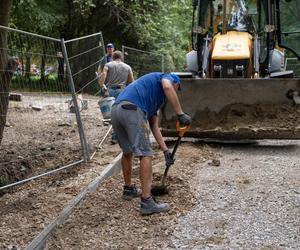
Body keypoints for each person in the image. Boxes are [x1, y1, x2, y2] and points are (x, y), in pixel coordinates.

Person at [110, 72, 192, 215]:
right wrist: (180, 114)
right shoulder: (167, 77)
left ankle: (128, 189)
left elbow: (154, 126)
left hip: (117, 110)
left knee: (127, 151)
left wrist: (166, 150)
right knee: (146, 154)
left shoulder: (154, 98)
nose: (174, 92)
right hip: (132, 109)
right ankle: (147, 202)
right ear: (176, 83)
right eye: (176, 88)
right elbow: (167, 87)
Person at [98, 50, 134, 143]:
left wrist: (102, 84)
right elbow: (131, 82)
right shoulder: (127, 67)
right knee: (122, 113)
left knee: (113, 114)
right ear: (121, 58)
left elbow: (103, 74)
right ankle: (122, 135)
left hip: (110, 91)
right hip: (122, 91)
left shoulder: (108, 65)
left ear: (113, 57)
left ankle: (115, 137)